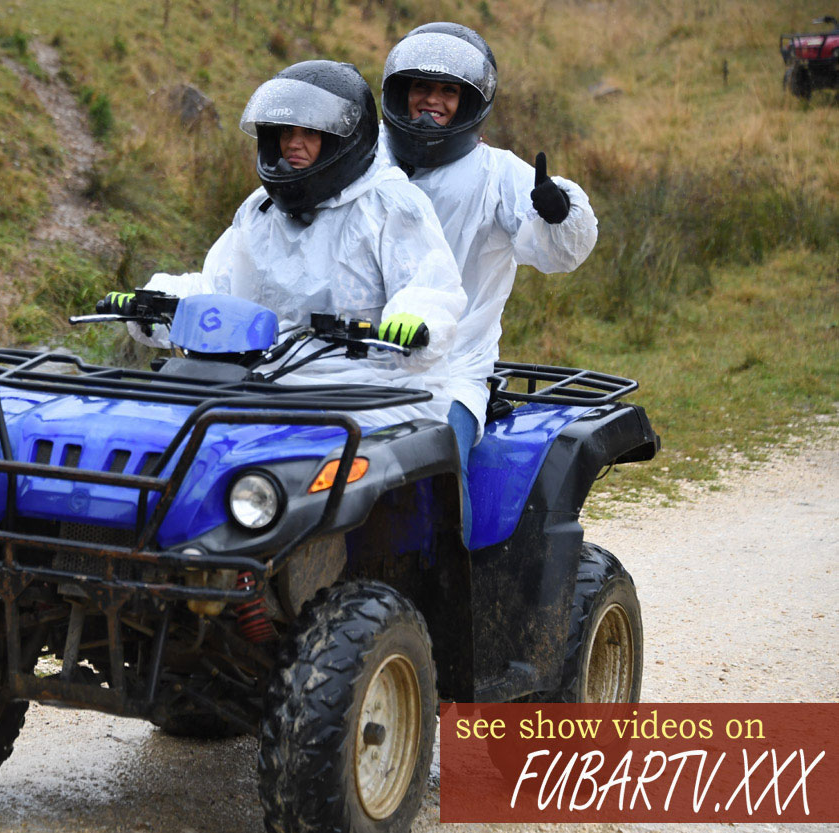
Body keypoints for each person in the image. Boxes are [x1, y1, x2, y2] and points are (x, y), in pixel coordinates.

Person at [101, 59, 466, 434]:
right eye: (285, 131)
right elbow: (218, 288)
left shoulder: (390, 206)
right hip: (263, 385)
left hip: (368, 395)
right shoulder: (260, 210)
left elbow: (431, 287)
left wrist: (416, 322)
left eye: (310, 131)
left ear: (345, 139)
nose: (292, 143)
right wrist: (153, 302)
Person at [379, 23, 599, 544]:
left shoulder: (498, 173)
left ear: (471, 101)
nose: (432, 101)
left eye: (448, 91)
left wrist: (558, 212)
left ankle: (457, 605)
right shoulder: (368, 163)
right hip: (353, 360)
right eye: (421, 88)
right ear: (399, 93)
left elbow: (556, 252)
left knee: (437, 501)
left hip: (447, 372)